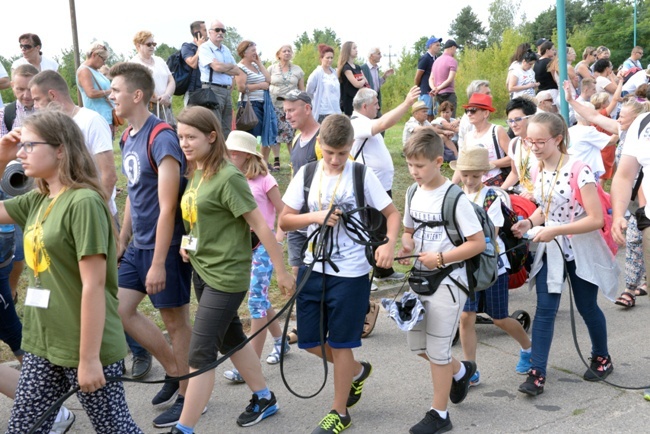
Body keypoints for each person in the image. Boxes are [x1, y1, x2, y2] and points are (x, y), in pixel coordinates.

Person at [1, 110, 142, 433]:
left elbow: (94, 285)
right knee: (24, 428)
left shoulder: (84, 203)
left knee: (115, 428)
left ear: (60, 149)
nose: (21, 153)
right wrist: (1, 157)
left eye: (29, 146)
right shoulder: (38, 199)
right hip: (42, 341)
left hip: (84, 344)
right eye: (20, 146)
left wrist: (89, 359)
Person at [164, 108, 294, 434]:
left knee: (200, 352)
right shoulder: (197, 173)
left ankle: (184, 428)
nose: (184, 143)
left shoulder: (228, 176)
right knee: (232, 340)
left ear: (212, 137)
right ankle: (264, 398)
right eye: (181, 137)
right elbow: (198, 216)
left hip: (227, 277)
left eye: (191, 137)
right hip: (202, 270)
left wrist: (282, 271)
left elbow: (261, 227)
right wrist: (188, 241)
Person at [279, 114, 400, 433]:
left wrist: (388, 245)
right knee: (308, 341)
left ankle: (339, 411)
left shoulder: (361, 175)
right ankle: (357, 372)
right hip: (312, 267)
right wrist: (317, 216)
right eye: (329, 152)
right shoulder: (307, 174)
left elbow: (391, 213)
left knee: (342, 342)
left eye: (342, 153)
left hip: (351, 273)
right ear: (319, 145)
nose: (335, 160)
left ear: (350, 148)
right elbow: (285, 220)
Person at [109, 62, 193, 428]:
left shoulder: (162, 137)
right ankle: (176, 370)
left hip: (165, 247)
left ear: (137, 95)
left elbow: (168, 205)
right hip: (137, 245)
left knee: (175, 321)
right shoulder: (128, 136)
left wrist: (159, 262)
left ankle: (191, 396)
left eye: (116, 90)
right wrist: (123, 240)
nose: (110, 95)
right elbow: (133, 194)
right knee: (120, 308)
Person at [511, 112, 618, 397]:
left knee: (587, 306)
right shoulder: (537, 169)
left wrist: (554, 231)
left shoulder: (579, 169)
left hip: (581, 247)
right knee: (545, 310)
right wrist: (530, 222)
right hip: (552, 248)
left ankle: (602, 357)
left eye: (540, 141)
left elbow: (596, 219)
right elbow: (545, 208)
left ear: (558, 139)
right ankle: (537, 373)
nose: (533, 147)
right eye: (529, 141)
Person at [398, 127, 485, 434]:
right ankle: (460, 372)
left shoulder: (454, 197)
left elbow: (477, 243)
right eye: (410, 165)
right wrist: (407, 246)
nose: (414, 172)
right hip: (421, 279)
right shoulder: (411, 191)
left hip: (450, 282)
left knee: (436, 351)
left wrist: (441, 259)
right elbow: (409, 231)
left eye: (419, 166)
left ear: (438, 161)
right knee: (416, 344)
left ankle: (440, 414)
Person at [565, 82, 650, 308]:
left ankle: (635, 285)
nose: (619, 119)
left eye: (624, 117)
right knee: (633, 239)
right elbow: (594, 115)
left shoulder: (638, 128)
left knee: (634, 238)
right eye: (619, 116)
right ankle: (633, 287)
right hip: (632, 200)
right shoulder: (631, 129)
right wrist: (572, 101)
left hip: (641, 199)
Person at [454, 147, 532, 388]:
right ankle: (470, 368)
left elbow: (492, 233)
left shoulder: (492, 198)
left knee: (499, 318)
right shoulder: (454, 197)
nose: (469, 180)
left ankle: (528, 349)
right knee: (466, 316)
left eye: (475, 176)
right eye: (465, 175)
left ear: (484, 174)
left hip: (491, 266)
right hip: (466, 266)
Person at [222, 130, 290, 384]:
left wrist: (279, 238)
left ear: (245, 155)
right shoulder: (232, 179)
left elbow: (283, 211)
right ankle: (281, 341)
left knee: (255, 301)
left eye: (232, 153)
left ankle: (251, 365)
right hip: (241, 246)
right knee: (259, 297)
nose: (227, 156)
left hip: (263, 245)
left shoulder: (265, 180)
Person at [351, 86, 421, 282]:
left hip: (380, 186)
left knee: (379, 228)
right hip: (369, 188)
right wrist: (407, 103)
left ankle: (383, 271)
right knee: (369, 230)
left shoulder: (366, 121)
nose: (379, 107)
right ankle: (364, 276)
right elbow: (382, 124)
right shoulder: (357, 123)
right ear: (364, 106)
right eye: (375, 104)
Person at [280, 90, 321, 279]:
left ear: (307, 108)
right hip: (297, 219)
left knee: (317, 274)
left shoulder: (322, 140)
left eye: (291, 110)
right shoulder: (297, 138)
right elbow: (293, 177)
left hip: (318, 219)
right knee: (297, 271)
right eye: (285, 111)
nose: (287, 116)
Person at [234, 40, 277, 170]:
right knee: (252, 135)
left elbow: (269, 79)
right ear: (244, 52)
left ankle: (262, 163)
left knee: (266, 132)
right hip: (250, 104)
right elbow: (241, 87)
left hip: (264, 103)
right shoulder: (240, 67)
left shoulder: (256, 66)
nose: (255, 53)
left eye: (255, 50)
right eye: (252, 50)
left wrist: (259, 63)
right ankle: (248, 164)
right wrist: (260, 86)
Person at [453, 93, 510, 186]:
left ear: (486, 113)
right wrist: (452, 186)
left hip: (495, 182)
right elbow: (462, 164)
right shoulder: (468, 136)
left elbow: (513, 158)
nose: (469, 114)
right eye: (467, 110)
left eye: (473, 110)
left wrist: (488, 164)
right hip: (472, 185)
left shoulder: (496, 130)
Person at [198, 19, 241, 139]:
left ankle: (224, 155)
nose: (220, 32)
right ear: (210, 32)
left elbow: (237, 70)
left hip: (227, 91)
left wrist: (221, 66)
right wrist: (226, 67)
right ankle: (213, 156)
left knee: (227, 127)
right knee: (214, 126)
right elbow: (216, 67)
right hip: (212, 90)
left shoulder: (226, 50)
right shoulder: (205, 48)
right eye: (217, 30)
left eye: (223, 30)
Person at [268, 44, 305, 161]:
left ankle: (293, 159)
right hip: (274, 104)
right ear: (279, 54)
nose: (287, 53)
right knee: (275, 131)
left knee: (290, 132)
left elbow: (302, 89)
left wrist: (302, 103)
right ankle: (276, 159)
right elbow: (266, 84)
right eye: (284, 51)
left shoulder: (297, 70)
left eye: (289, 51)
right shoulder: (271, 69)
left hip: (291, 106)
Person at [129, 30, 176, 122]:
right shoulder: (133, 64)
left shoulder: (160, 60)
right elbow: (134, 88)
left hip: (165, 104)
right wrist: (156, 100)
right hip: (146, 107)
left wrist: (167, 95)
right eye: (148, 44)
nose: (152, 47)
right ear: (138, 46)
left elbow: (171, 80)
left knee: (170, 132)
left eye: (154, 44)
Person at [501, 97, 539, 197]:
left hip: (541, 198)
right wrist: (500, 191)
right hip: (522, 196)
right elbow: (514, 173)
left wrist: (535, 195)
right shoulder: (514, 144)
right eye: (510, 121)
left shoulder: (541, 143)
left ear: (531, 118)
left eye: (518, 119)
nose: (513, 125)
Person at [76, 42, 115, 135]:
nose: (104, 62)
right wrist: (111, 91)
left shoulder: (96, 71)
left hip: (106, 117)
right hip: (97, 118)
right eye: (103, 59)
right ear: (94, 55)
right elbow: (91, 93)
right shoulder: (84, 70)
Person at [567, 102, 612, 182]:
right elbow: (610, 141)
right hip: (587, 172)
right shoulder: (588, 131)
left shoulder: (569, 130)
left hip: (572, 170)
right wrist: (622, 129)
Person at [0, 64, 38, 136]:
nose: (26, 95)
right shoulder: (3, 115)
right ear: (12, 86)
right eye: (20, 89)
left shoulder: (51, 111)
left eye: (30, 89)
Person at [306, 44, 341, 122]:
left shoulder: (334, 73)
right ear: (321, 58)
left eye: (331, 58)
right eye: (327, 58)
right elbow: (309, 91)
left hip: (335, 110)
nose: (330, 60)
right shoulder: (316, 73)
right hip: (323, 112)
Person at [457, 80, 491, 153]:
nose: (491, 96)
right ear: (475, 95)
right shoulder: (471, 120)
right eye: (487, 94)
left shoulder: (478, 115)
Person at [415, 36, 443, 121]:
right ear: (431, 45)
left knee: (432, 115)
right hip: (425, 91)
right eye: (437, 45)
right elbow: (418, 76)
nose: (439, 47)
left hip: (434, 91)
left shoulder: (436, 59)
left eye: (439, 45)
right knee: (425, 114)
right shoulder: (425, 58)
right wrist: (419, 87)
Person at [429, 40, 460, 116]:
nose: (455, 52)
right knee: (450, 117)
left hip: (438, 95)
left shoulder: (436, 61)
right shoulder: (452, 61)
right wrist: (438, 88)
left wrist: (434, 89)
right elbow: (449, 80)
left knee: (442, 118)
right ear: (452, 47)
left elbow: (431, 79)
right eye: (455, 49)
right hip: (448, 93)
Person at [181, 21, 208, 106]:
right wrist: (200, 47)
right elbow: (193, 64)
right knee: (192, 118)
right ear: (197, 32)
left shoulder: (209, 47)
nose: (207, 33)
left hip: (207, 90)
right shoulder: (187, 47)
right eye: (205, 30)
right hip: (193, 91)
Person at [361, 47, 394, 117]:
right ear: (372, 55)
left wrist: (384, 76)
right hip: (368, 103)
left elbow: (376, 85)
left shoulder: (376, 68)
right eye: (378, 54)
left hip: (375, 101)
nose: (381, 56)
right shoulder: (363, 68)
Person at [338, 41, 367, 116]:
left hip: (359, 100)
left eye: (356, 48)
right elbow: (357, 84)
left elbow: (366, 82)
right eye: (354, 48)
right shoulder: (346, 67)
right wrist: (362, 80)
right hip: (349, 101)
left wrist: (363, 81)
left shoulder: (357, 67)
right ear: (347, 51)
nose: (356, 50)